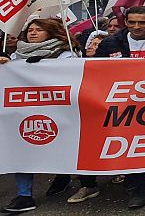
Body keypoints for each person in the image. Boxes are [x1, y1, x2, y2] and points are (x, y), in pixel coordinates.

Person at [93, 6, 145, 209]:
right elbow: (95, 69)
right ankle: (135, 187)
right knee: (130, 144)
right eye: (132, 22)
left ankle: (139, 182)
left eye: (142, 22)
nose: (136, 26)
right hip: (122, 104)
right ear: (125, 23)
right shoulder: (111, 43)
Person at [0, 18, 79, 213]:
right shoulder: (15, 56)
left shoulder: (66, 55)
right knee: (21, 149)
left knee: (59, 147)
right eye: (30, 30)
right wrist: (6, 66)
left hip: (60, 111)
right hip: (23, 112)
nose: (32, 33)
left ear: (51, 33)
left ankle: (63, 177)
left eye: (38, 30)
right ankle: (24, 195)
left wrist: (42, 68)